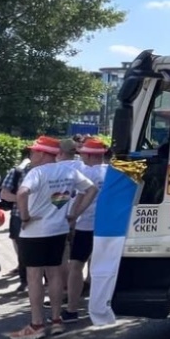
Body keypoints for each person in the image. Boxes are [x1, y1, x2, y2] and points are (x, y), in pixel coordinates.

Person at [8, 136, 98, 339]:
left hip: (35, 231)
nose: (30, 155)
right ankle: (57, 320)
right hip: (59, 229)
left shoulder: (36, 172)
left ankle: (37, 323)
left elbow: (21, 194)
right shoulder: (69, 171)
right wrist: (76, 214)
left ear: (41, 153)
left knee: (34, 277)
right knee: (55, 275)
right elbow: (92, 189)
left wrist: (24, 217)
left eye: (32, 151)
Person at [63, 137, 109, 323]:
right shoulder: (111, 172)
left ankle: (72, 309)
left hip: (86, 225)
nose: (80, 156)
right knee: (101, 267)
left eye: (82, 154)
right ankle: (102, 306)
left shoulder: (87, 173)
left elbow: (81, 197)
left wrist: (72, 218)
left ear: (89, 155)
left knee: (75, 266)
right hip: (106, 226)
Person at [0, 148, 32, 293]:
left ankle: (45, 282)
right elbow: (4, 193)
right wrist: (22, 200)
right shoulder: (18, 172)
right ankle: (24, 281)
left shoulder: (50, 172)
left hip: (43, 217)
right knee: (23, 251)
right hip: (19, 216)